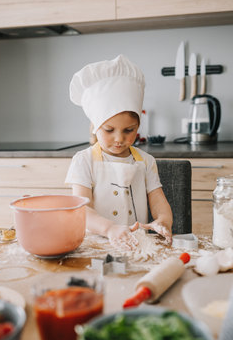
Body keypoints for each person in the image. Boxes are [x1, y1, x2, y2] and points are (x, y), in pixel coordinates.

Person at [65, 54, 173, 250]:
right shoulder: (84, 160)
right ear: (95, 127)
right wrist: (109, 229)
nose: (119, 138)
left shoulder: (146, 161)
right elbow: (82, 209)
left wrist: (163, 220)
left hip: (136, 244)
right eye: (109, 130)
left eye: (129, 130)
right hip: (95, 246)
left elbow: (158, 200)